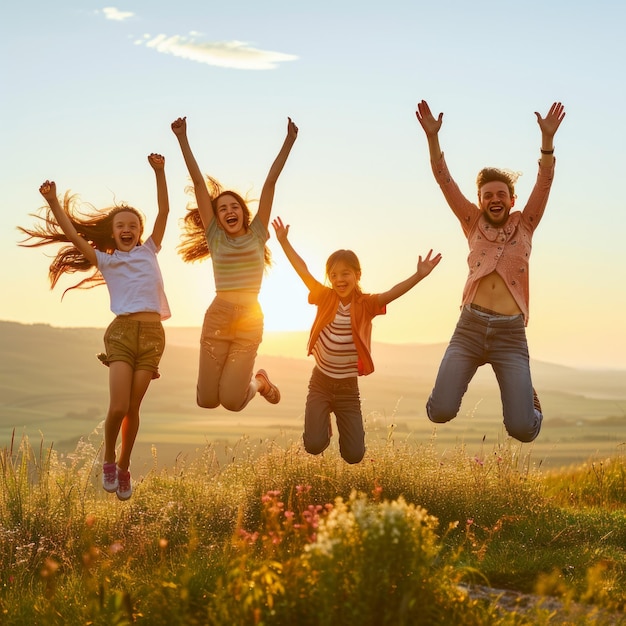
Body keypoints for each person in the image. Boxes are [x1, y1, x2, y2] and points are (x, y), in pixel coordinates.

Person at [18, 153, 171, 500]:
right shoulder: (105, 260)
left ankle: (124, 466)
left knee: (134, 408)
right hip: (121, 334)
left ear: (140, 231)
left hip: (152, 337)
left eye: (132, 224)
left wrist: (160, 172)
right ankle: (107, 459)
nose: (127, 229)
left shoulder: (150, 251)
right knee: (118, 406)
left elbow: (163, 211)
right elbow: (72, 235)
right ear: (112, 233)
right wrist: (53, 201)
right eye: (120, 226)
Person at [415, 99, 566, 442]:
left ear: (512, 200)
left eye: (501, 194)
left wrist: (547, 142)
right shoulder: (471, 222)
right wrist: (432, 138)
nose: (494, 199)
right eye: (487, 195)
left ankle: (530, 402)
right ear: (480, 201)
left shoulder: (526, 224)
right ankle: (452, 386)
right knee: (439, 412)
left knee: (522, 430)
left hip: (510, 336)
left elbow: (544, 181)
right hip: (469, 328)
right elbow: (444, 180)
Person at [272, 215, 442, 463]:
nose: (339, 280)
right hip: (320, 382)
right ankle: (323, 426)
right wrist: (284, 242)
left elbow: (393, 293)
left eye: (345, 273)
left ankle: (337, 425)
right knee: (314, 446)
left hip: (347, 389)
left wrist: (419, 276)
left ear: (357, 274)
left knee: (354, 456)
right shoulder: (324, 296)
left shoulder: (367, 304)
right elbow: (302, 270)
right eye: (333, 275)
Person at [171, 116, 298, 411]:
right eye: (222, 208)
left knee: (231, 401)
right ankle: (249, 382)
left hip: (249, 321)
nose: (229, 211)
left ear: (243, 212)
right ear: (216, 217)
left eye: (234, 206)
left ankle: (260, 383)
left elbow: (270, 182)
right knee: (206, 401)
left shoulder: (257, 234)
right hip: (219, 319)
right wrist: (182, 138)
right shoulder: (215, 236)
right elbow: (199, 184)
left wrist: (289, 141)